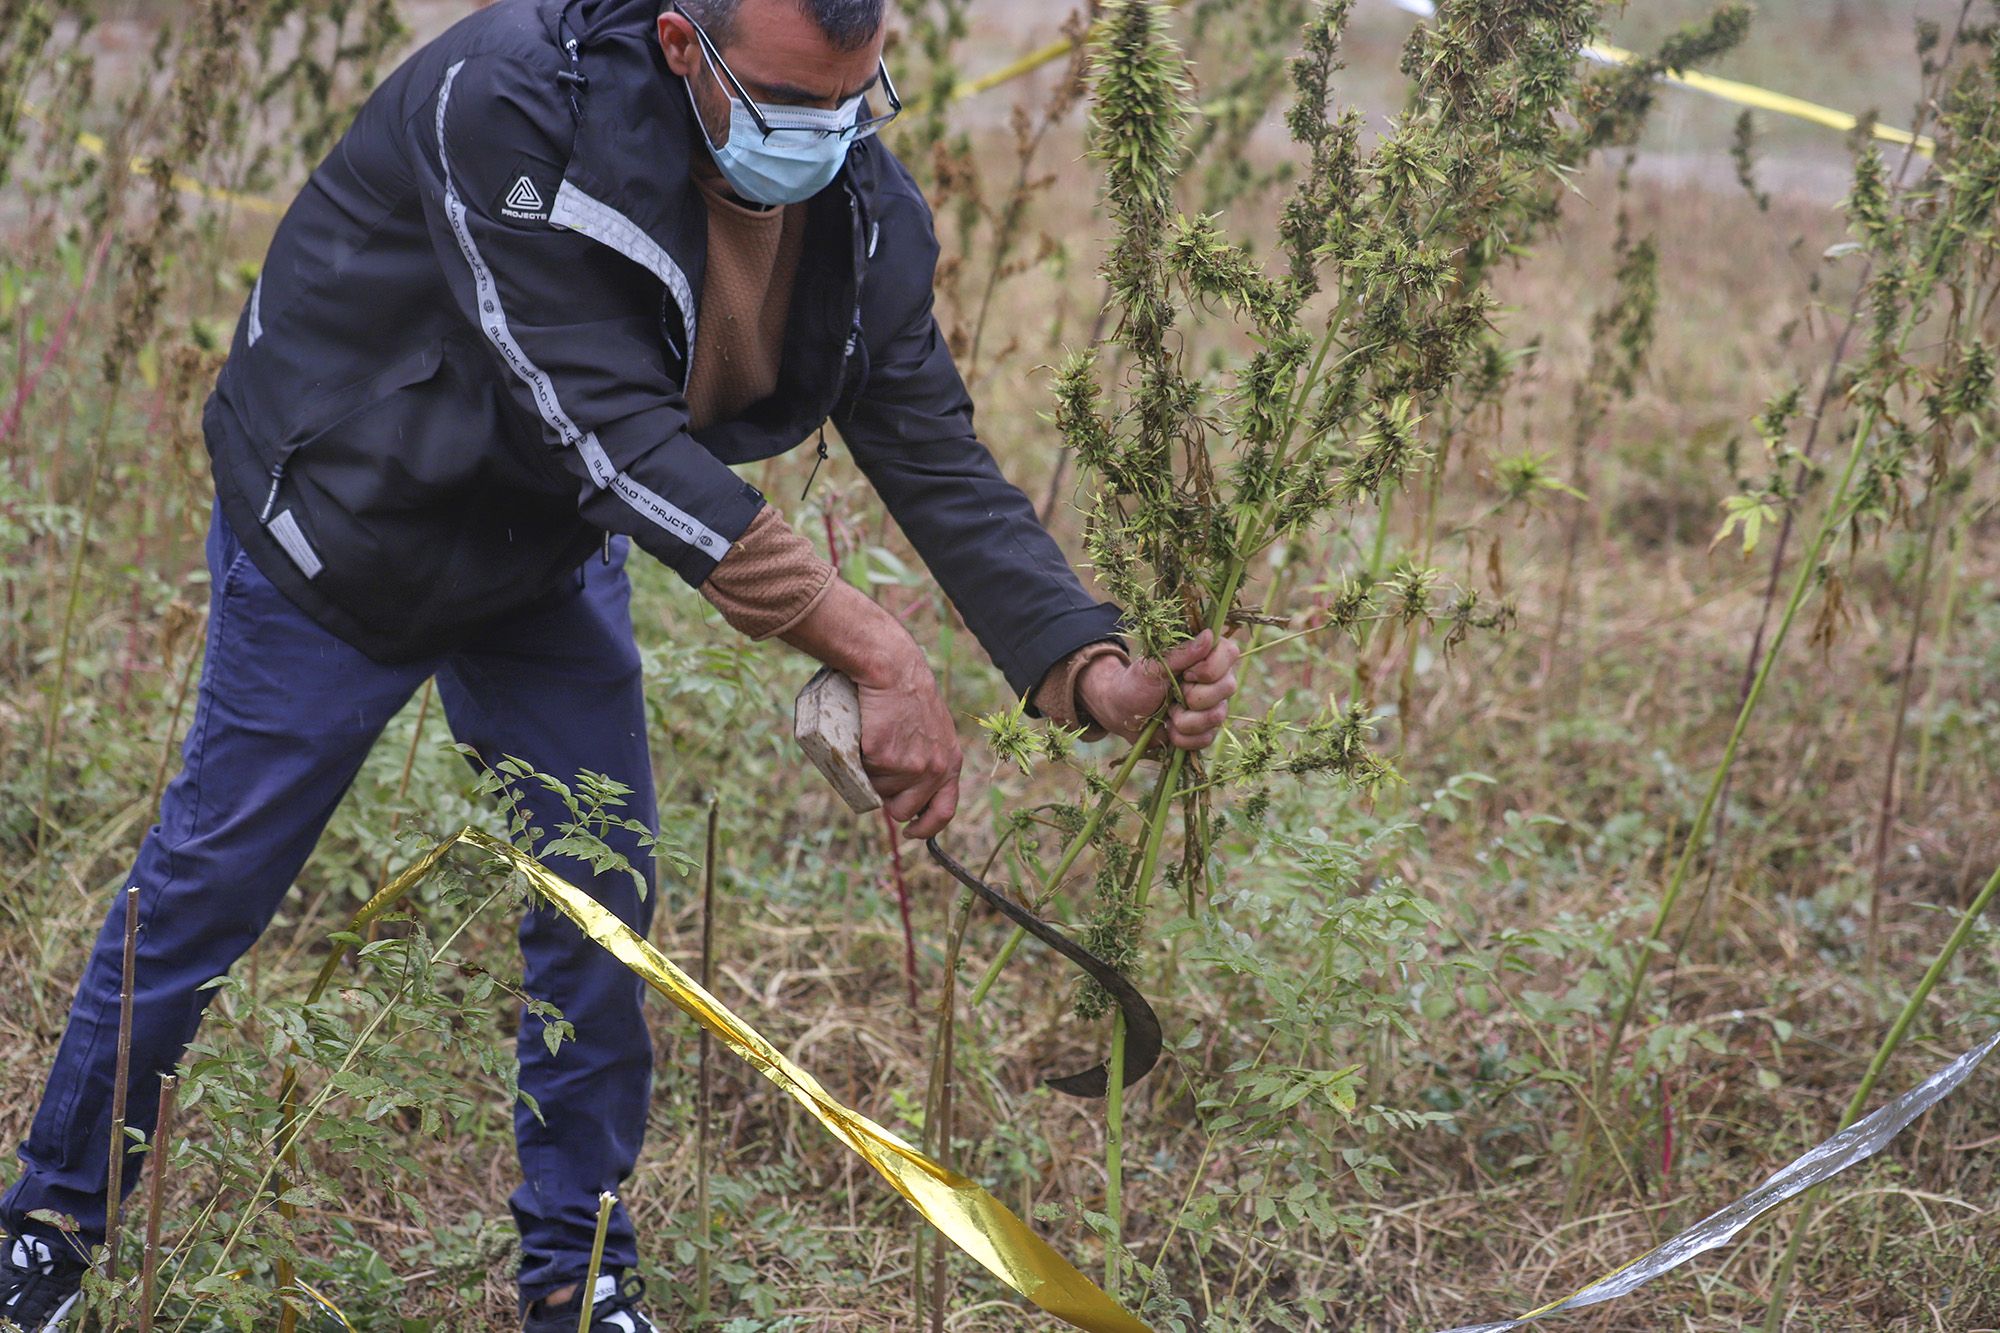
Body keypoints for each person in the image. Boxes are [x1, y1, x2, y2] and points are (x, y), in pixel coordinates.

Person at [0, 0, 1242, 1328]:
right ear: (675, 41)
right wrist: (876, 646)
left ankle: (577, 1270)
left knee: (605, 890)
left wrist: (1092, 670)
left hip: (541, 547)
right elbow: (607, 432)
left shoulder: (854, 202)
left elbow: (931, 445)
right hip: (344, 525)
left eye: (853, 99)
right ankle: (51, 1228)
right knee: (211, 883)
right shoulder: (504, 108)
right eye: (783, 102)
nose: (820, 138)